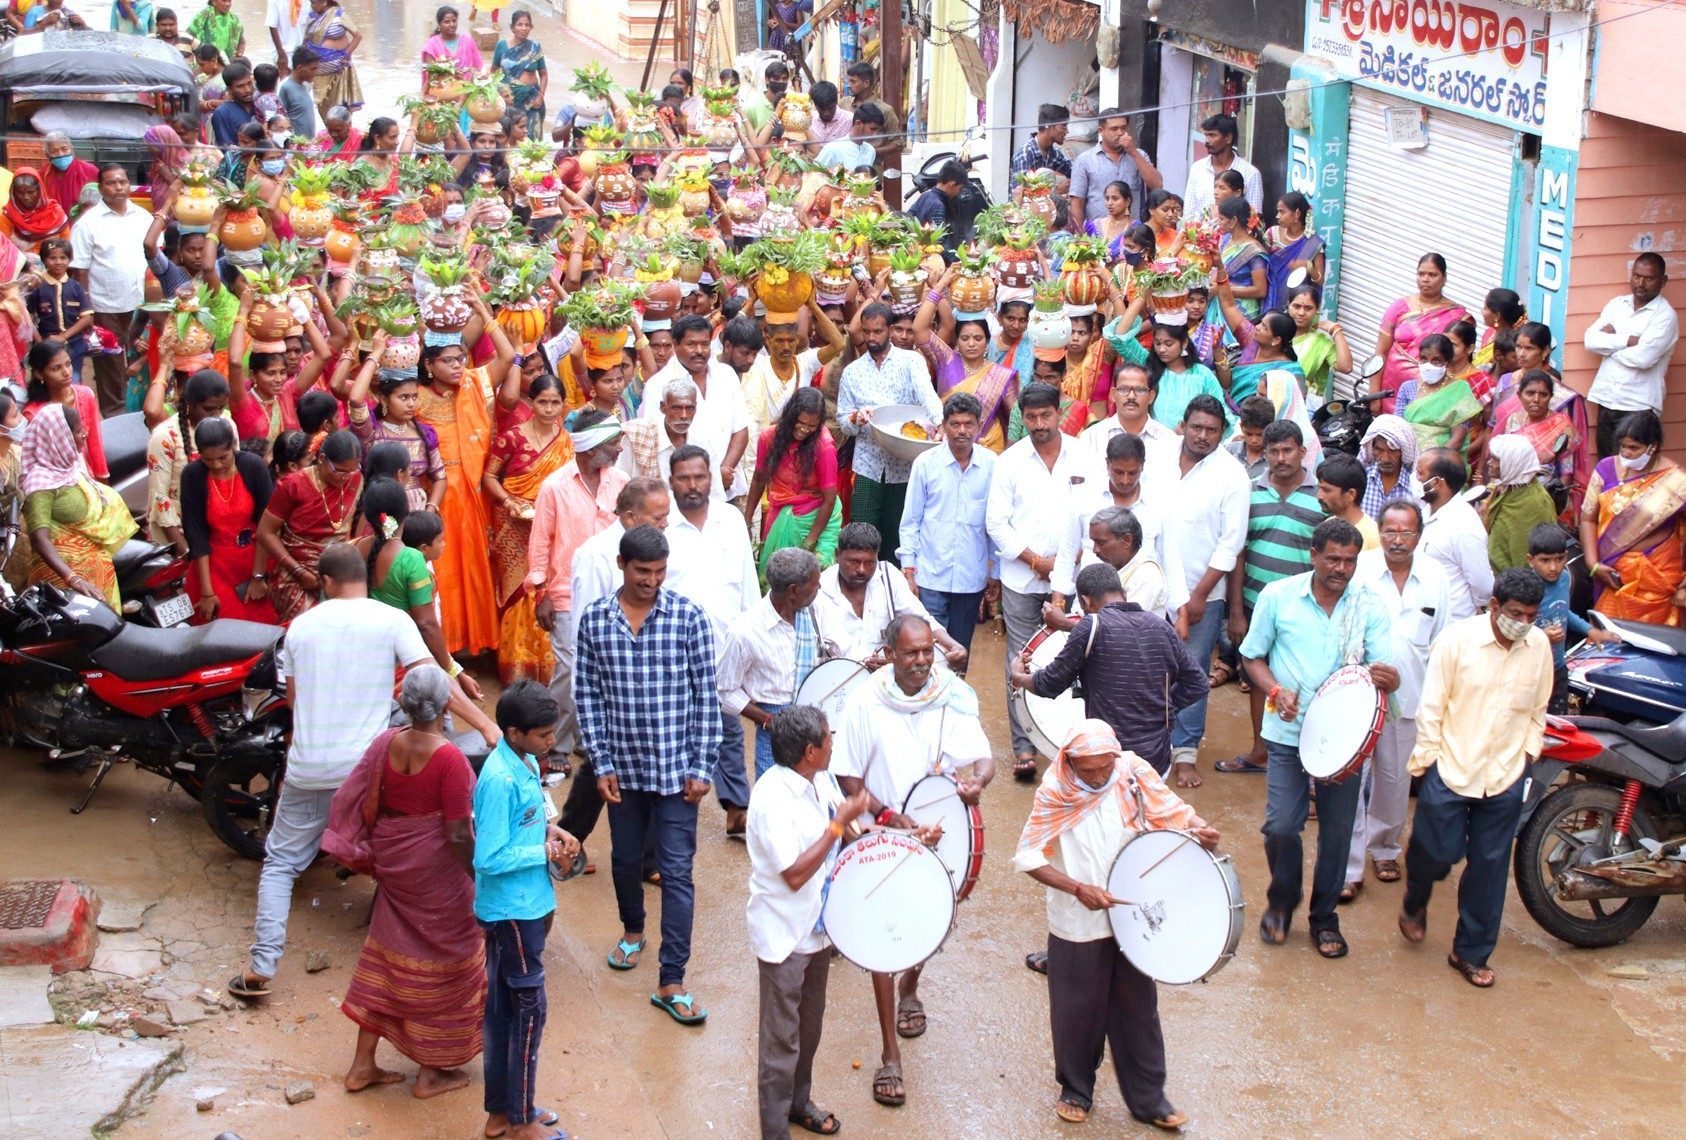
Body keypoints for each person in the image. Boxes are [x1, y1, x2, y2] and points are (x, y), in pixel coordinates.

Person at [229, 542, 493, 1001]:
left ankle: (261, 966)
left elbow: (294, 702)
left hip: (308, 766)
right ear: (364, 580)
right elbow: (436, 684)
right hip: (367, 770)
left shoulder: (299, 628)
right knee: (393, 849)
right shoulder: (390, 620)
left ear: (326, 584)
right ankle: (417, 952)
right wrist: (487, 727)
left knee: (281, 864)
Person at [1013, 718, 1218, 1129]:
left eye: (1105, 767)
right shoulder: (1055, 790)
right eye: (1088, 770)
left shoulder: (1131, 772)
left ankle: (1149, 1098)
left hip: (1132, 911)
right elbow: (1028, 857)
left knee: (1138, 1008)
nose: (1099, 777)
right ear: (1070, 763)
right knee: (1077, 1008)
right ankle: (1076, 1090)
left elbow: (1168, 809)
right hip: (1077, 919)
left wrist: (1198, 829)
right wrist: (1076, 888)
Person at [831, 614, 994, 1109]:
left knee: (931, 921)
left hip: (938, 831)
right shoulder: (863, 702)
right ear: (890, 653)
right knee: (883, 937)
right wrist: (888, 816)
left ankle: (912, 987)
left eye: (928, 652)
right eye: (911, 653)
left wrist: (977, 782)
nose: (922, 661)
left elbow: (982, 757)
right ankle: (889, 1056)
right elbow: (847, 778)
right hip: (882, 832)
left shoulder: (949, 695)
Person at [575, 525, 722, 1024]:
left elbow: (708, 697)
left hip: (679, 773)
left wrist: (703, 766)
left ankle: (672, 978)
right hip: (622, 770)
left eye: (659, 573)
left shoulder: (687, 617)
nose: (650, 581)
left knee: (678, 873)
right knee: (623, 859)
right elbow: (588, 696)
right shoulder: (595, 620)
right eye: (642, 572)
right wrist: (600, 761)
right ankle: (633, 930)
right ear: (622, 565)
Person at [1239, 518, 1398, 959]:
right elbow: (1251, 656)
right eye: (1332, 559)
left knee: (1338, 833)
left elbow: (1383, 670)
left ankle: (1324, 919)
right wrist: (1274, 689)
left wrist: (1389, 676)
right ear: (1313, 555)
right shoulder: (1277, 597)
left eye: (1349, 561)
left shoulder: (1369, 604)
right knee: (1281, 826)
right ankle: (1282, 901)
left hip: (1345, 740)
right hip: (1287, 731)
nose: (1341, 569)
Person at [324, 666, 482, 1100]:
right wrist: (477, 879)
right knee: (446, 961)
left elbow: (354, 795)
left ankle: (362, 1066)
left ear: (406, 703)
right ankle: (430, 1073)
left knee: (386, 954)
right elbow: (456, 833)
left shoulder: (385, 742)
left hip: (394, 864)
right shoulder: (448, 758)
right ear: (446, 704)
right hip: (436, 874)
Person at [1400, 568, 1553, 988]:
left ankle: (1469, 953)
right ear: (1493, 607)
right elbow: (1432, 707)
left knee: (1489, 867)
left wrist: (1527, 755)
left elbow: (1538, 708)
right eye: (1515, 614)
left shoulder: (1537, 646)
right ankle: (1416, 900)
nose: (1522, 624)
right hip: (1451, 766)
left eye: (1531, 616)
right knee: (1436, 853)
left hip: (1504, 774)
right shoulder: (1456, 641)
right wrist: (1427, 762)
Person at [749, 704, 866, 1140]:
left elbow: (849, 831)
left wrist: (894, 835)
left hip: (818, 930)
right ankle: (774, 1130)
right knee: (781, 1044)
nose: (834, 743)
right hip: (785, 933)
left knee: (809, 1029)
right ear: (810, 751)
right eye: (828, 739)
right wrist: (838, 825)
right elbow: (796, 874)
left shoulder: (820, 781)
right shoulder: (771, 799)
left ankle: (799, 1103)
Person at [471, 680, 578, 1140]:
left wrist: (555, 831)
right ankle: (520, 1121)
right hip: (512, 913)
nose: (552, 742)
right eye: (543, 734)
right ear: (515, 733)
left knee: (504, 1012)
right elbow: (488, 858)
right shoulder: (497, 779)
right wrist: (545, 853)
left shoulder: (526, 763)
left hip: (524, 907)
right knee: (528, 1013)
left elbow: (532, 816)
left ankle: (505, 1112)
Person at [1016, 559, 1206, 782]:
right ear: (1123, 592)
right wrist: (1165, 709)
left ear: (1086, 601)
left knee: (1113, 816)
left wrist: (1018, 675)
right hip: (1155, 760)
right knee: (1146, 814)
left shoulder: (1091, 627)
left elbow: (1049, 684)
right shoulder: (1160, 626)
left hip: (1107, 760)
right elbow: (1198, 682)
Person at [1343, 501, 1449, 900]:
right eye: (1389, 531)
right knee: (1353, 781)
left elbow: (1443, 637)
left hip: (1412, 695)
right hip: (1359, 695)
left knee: (1394, 779)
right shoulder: (1362, 569)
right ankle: (1350, 867)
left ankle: (1385, 847)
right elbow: (1345, 625)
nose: (1397, 539)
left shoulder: (1435, 576)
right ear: (1379, 531)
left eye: (1406, 532)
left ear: (1419, 536)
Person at [1218, 421, 1327, 776]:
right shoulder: (1250, 492)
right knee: (1257, 677)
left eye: (1287, 450)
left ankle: (1309, 761)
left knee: (1308, 678)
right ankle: (1259, 751)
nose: (1280, 458)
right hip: (1255, 602)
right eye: (1273, 451)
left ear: (1302, 451)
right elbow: (1238, 552)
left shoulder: (1321, 496)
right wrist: (1236, 611)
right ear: (1264, 453)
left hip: (1306, 606)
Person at [664, 447, 760, 834]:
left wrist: (751, 633)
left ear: (711, 477)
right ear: (671, 481)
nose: (693, 485)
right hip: (673, 650)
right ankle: (669, 812)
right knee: (672, 732)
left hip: (723, 646)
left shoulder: (730, 519)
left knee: (728, 727)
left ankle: (737, 806)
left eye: (699, 477)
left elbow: (747, 580)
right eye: (684, 478)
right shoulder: (662, 523)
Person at [528, 410, 629, 764]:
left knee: (606, 669)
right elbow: (541, 541)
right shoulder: (554, 486)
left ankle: (590, 738)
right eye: (612, 442)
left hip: (615, 591)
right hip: (566, 593)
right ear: (591, 447)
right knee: (570, 670)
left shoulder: (621, 481)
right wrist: (540, 592)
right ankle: (556, 744)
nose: (619, 448)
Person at [1164, 394, 1251, 782]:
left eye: (1212, 431)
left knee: (1192, 671)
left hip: (1203, 595)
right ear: (1183, 424)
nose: (1202, 436)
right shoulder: (1159, 457)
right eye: (1196, 427)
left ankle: (1184, 751)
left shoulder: (1232, 475)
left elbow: (1230, 544)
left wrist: (1199, 595)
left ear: (1223, 433)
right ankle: (1145, 744)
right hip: (1152, 589)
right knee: (1147, 667)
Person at [415, 326, 514, 657]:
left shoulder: (473, 384)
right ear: (429, 365)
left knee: (475, 566)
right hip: (438, 495)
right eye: (448, 361)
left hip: (473, 492)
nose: (458, 366)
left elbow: (507, 356)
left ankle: (478, 641)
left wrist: (486, 314)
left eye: (461, 358)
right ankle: (447, 645)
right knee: (444, 569)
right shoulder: (415, 396)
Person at [482, 375, 573, 685]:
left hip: (551, 523)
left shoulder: (567, 442)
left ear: (563, 404)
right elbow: (489, 478)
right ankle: (516, 666)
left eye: (555, 402)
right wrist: (511, 503)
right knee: (518, 591)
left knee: (547, 588)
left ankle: (546, 665)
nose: (548, 409)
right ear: (531, 403)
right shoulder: (511, 437)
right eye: (542, 402)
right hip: (513, 525)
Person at [836, 303, 944, 561]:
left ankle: (894, 593)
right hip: (867, 464)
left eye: (878, 331)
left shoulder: (911, 362)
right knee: (862, 534)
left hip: (905, 465)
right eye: (867, 332)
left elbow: (927, 396)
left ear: (890, 330)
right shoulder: (853, 372)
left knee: (898, 537)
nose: (872, 338)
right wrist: (857, 418)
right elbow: (842, 420)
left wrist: (941, 424)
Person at [1051, 433, 1187, 626]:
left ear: (1142, 465)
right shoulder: (1083, 498)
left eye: (1132, 473)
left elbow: (1171, 558)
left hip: (1143, 612)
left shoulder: (1160, 503)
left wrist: (1180, 613)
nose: (1125, 480)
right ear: (1107, 464)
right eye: (1118, 472)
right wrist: (1057, 602)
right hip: (1089, 608)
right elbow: (1067, 553)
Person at [899, 392, 998, 655]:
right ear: (944, 425)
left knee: (960, 649)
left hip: (971, 577)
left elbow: (995, 525)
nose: (962, 431)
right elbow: (910, 521)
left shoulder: (992, 466)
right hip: (930, 574)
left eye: (969, 424)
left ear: (978, 426)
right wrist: (909, 570)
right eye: (955, 424)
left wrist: (995, 573)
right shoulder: (926, 464)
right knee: (930, 649)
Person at [718, 546, 826, 781]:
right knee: (777, 801)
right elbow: (724, 691)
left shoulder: (814, 611)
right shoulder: (745, 631)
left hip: (817, 722)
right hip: (775, 730)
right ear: (793, 591)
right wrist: (769, 721)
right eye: (814, 584)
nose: (819, 588)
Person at [18, 403, 134, 609]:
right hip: (66, 586)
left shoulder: (68, 467)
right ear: (59, 438)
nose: (84, 435)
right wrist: (73, 578)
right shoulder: (40, 485)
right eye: (78, 431)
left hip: (96, 575)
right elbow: (39, 538)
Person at [1579, 410, 1686, 626]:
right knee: (1610, 640)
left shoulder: (1677, 481)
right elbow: (1588, 518)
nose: (1626, 454)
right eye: (1622, 446)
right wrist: (1593, 564)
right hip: (1611, 575)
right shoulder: (1606, 468)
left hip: (1658, 577)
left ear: (1652, 446)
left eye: (1634, 448)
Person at [816, 521, 966, 667]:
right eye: (854, 561)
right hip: (840, 682)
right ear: (838, 555)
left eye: (869, 562)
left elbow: (921, 619)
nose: (862, 569)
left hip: (889, 676)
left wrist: (953, 645)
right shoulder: (821, 588)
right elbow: (838, 643)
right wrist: (872, 662)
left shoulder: (888, 576)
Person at [637, 315, 751, 503]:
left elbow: (741, 430)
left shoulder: (727, 375)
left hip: (726, 487)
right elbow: (657, 441)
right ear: (676, 344)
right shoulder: (658, 385)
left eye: (705, 344)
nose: (700, 351)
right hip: (680, 496)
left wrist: (720, 472)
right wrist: (704, 477)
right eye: (691, 344)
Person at [69, 164, 152, 416]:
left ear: (129, 184)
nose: (118, 188)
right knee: (110, 367)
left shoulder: (144, 217)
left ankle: (142, 414)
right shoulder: (87, 224)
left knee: (142, 362)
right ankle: (114, 418)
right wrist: (87, 310)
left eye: (122, 182)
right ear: (101, 187)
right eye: (111, 183)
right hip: (106, 307)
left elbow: (156, 259)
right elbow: (80, 270)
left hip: (142, 307)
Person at [255, 429, 363, 622]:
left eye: (351, 471)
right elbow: (265, 533)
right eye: (338, 470)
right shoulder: (293, 484)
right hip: (296, 576)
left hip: (338, 572)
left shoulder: (356, 479)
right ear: (321, 458)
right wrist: (299, 571)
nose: (344, 477)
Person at [178, 417, 276, 623]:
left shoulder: (252, 466)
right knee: (226, 623)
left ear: (233, 446)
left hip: (256, 556)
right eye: (208, 460)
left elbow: (267, 524)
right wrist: (206, 592)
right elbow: (196, 535)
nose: (216, 465)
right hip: (214, 563)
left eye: (223, 457)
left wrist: (258, 576)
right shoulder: (192, 475)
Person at [1584, 252, 1678, 459]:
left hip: (1639, 405)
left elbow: (1643, 358)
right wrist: (1626, 341)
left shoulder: (1665, 316)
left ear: (1663, 281)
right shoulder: (1617, 304)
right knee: (1607, 466)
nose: (1640, 283)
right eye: (1636, 276)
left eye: (1649, 278)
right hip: (1607, 399)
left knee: (1634, 471)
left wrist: (1609, 347)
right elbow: (1590, 341)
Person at [915, 269, 1020, 451]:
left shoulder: (1001, 375)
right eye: (965, 339)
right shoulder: (945, 359)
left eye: (978, 339)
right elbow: (919, 330)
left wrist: (1011, 453)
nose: (971, 344)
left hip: (988, 447)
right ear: (957, 341)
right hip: (945, 444)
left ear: (987, 341)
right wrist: (940, 286)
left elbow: (1015, 417)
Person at [744, 387, 840, 574]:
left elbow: (829, 500)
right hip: (781, 512)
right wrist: (746, 521)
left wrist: (809, 544)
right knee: (774, 575)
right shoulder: (769, 437)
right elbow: (758, 480)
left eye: (812, 426)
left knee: (812, 576)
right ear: (790, 415)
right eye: (801, 422)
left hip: (818, 519)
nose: (805, 429)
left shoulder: (824, 447)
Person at [1528, 523, 1614, 714]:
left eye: (1559, 559)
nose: (1553, 567)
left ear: (1566, 557)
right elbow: (1516, 629)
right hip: (1532, 670)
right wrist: (1542, 635)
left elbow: (1563, 612)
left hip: (1558, 667)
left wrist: (1591, 631)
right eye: (1545, 560)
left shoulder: (1565, 578)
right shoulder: (1526, 589)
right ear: (1531, 560)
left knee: (1558, 718)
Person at [1372, 253, 1469, 416]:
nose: (1425, 279)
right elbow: (1381, 352)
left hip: (1435, 392)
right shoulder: (1399, 307)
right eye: (1421, 274)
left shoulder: (1457, 315)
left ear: (1444, 278)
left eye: (1432, 275)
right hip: (1392, 389)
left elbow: (1460, 359)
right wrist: (1374, 394)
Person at [145, 369, 230, 551]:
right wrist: (184, 551)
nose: (217, 415)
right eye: (209, 409)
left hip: (219, 529)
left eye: (221, 408)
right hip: (178, 533)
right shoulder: (165, 436)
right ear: (191, 404)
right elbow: (160, 498)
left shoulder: (227, 426)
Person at [1497, 370, 1584, 525]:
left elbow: (1566, 470)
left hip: (1545, 491)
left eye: (1543, 395)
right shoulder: (1513, 420)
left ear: (1551, 397)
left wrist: (1552, 505)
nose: (1536, 400)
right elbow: (1504, 460)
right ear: (1519, 395)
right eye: (1530, 393)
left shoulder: (1561, 425)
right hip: (1512, 489)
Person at [1417, 446, 1494, 620]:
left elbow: (1483, 585)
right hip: (1424, 618)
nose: (1415, 479)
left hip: (1453, 623)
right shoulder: (1425, 512)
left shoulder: (1464, 525)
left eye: (1420, 474)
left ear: (1436, 483)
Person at [22, 338, 106, 480]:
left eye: (68, 364)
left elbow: (95, 444)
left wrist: (103, 482)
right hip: (57, 485)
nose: (66, 372)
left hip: (89, 475)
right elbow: (41, 462)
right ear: (39, 374)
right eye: (56, 368)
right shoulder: (35, 414)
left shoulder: (85, 395)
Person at [1068, 109, 1160, 234]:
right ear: (1101, 131)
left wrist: (1133, 151)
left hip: (1132, 236)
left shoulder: (1139, 155)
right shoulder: (1084, 160)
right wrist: (1080, 238)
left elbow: (1157, 185)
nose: (1120, 133)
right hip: (1097, 236)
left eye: (1124, 128)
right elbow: (1077, 204)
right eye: (1114, 129)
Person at [1080, 361, 1178, 466]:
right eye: (1123, 389)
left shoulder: (1169, 440)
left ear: (1151, 397)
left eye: (1140, 390)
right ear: (1113, 394)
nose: (1131, 396)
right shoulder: (1091, 437)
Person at [1483, 435, 1558, 572]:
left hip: (1516, 585)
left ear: (1513, 463)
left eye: (1496, 459)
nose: (1489, 463)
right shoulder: (1506, 487)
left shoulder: (1536, 503)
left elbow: (1531, 559)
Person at [1401, 333, 1481, 454]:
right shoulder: (1407, 388)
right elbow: (1397, 427)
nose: (1428, 365)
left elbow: (1457, 440)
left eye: (1436, 361)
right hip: (1405, 454)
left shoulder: (1459, 390)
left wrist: (1431, 462)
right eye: (1423, 359)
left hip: (1441, 460)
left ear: (1447, 362)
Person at [1183, 113, 1263, 218]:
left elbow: (1254, 216)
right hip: (1198, 233)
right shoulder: (1197, 168)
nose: (1207, 141)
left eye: (1212, 135)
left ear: (1228, 138)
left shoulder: (1250, 173)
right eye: (1206, 135)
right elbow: (1189, 212)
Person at [1286, 287, 1350, 402]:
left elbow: (1346, 367)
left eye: (1308, 308)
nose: (1301, 313)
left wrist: (1336, 331)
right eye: (1296, 306)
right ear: (1288, 305)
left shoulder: (1321, 342)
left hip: (1302, 405)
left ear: (1316, 310)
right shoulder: (1276, 332)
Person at [304, 0, 363, 120]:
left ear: (324, 2)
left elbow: (357, 36)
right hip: (319, 72)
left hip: (339, 70)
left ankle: (344, 133)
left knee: (340, 108)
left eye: (314, 3)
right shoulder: (311, 18)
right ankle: (329, 134)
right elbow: (305, 42)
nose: (312, 6)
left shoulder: (338, 15)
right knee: (323, 106)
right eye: (311, 3)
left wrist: (347, 54)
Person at [1265, 192, 1325, 311]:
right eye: (1278, 211)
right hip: (1270, 298)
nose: (1277, 216)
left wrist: (1307, 266)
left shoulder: (1312, 243)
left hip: (1296, 304)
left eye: (1282, 212)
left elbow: (1320, 280)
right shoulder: (1272, 234)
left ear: (1297, 214)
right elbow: (1263, 265)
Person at [493, 10, 547, 139]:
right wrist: (499, 95)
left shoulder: (535, 47)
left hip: (532, 100)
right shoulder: (502, 45)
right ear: (512, 28)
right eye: (520, 24)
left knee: (533, 137)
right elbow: (494, 72)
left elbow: (543, 74)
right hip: (510, 100)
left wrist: (541, 96)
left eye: (527, 25)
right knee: (510, 135)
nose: (524, 28)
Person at [1358, 414, 1420, 521]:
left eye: (1393, 451)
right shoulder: (1360, 480)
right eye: (1379, 450)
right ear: (1372, 449)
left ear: (1403, 451)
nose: (1386, 458)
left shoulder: (1416, 487)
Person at [1315, 452, 1379, 551]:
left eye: (1326, 490)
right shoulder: (1328, 524)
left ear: (1351, 495)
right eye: (1319, 488)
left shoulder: (1372, 536)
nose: (1319, 496)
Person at [0, 168, 70, 254]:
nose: (26, 197)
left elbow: (66, 247)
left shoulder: (55, 213)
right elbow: (2, 249)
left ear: (40, 191)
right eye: (20, 192)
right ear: (13, 193)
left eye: (31, 192)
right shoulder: (8, 216)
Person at [1012, 104, 1072, 185]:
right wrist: (1056, 191)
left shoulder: (1055, 154)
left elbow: (1074, 175)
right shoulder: (1026, 153)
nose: (1067, 131)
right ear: (1049, 126)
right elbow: (1022, 194)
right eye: (1064, 126)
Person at [40, 133, 98, 215]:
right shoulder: (43, 174)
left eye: (64, 149)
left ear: (71, 149)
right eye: (54, 151)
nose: (60, 154)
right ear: (48, 155)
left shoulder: (90, 171)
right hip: (55, 224)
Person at [814, 102, 882, 172]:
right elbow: (814, 174)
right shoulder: (833, 149)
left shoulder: (870, 151)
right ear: (858, 123)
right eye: (872, 129)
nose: (876, 134)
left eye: (878, 131)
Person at [278, 46, 321, 139]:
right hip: (296, 147)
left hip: (308, 145)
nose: (316, 73)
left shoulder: (306, 85)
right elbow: (279, 120)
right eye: (313, 69)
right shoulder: (285, 88)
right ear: (300, 67)